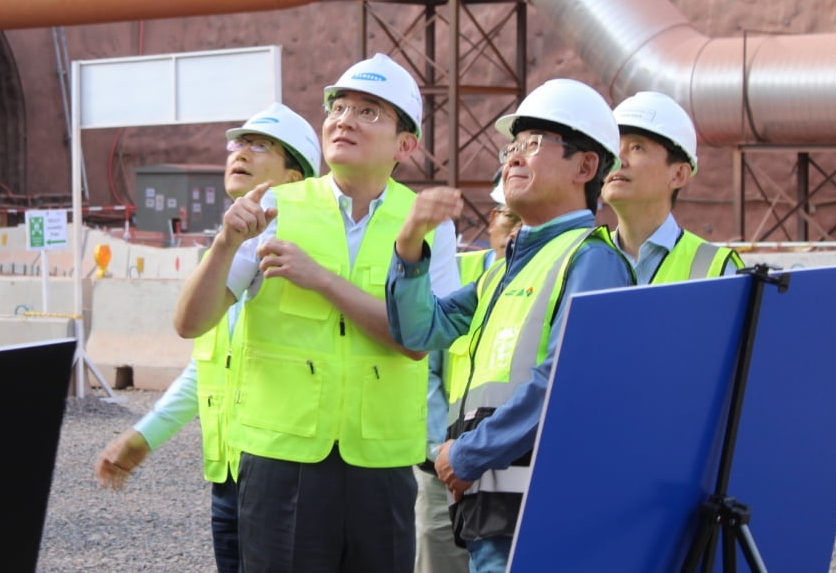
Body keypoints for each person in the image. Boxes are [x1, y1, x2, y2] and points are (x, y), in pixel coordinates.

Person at [174, 53, 460, 573]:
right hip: (282, 463)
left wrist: (322, 280)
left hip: (382, 462)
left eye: (369, 112)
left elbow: (419, 339)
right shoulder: (276, 208)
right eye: (339, 107)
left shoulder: (426, 223)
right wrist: (224, 244)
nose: (345, 119)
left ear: (406, 144)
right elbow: (190, 324)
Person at [386, 78, 635, 573]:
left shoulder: (591, 260)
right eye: (513, 146)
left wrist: (469, 453)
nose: (515, 158)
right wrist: (410, 241)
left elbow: (563, 382)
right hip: (493, 510)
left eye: (536, 144)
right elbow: (417, 331)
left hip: (543, 513)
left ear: (586, 167)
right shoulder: (499, 273)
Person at [94, 103, 321, 573]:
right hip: (234, 472)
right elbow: (212, 362)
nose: (239, 152)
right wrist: (145, 436)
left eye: (261, 146)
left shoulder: (297, 247)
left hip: (287, 472)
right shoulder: (235, 245)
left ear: (296, 177)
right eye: (237, 143)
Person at [418, 178, 517, 573]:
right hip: (442, 467)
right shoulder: (456, 275)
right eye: (509, 216)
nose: (517, 228)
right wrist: (443, 454)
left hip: (511, 467)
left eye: (527, 219)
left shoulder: (554, 276)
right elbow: (424, 370)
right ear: (493, 219)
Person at [604, 91, 742, 282]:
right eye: (614, 147)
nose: (619, 160)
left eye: (637, 147)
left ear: (678, 175)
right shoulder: (582, 260)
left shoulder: (715, 269)